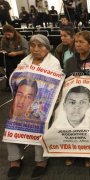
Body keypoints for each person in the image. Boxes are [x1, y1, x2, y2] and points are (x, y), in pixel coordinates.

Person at [6, 34, 62, 180]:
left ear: (47, 48)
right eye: (32, 45)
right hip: (22, 99)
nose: (35, 49)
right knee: (12, 122)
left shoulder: (53, 62)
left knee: (39, 120)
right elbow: (16, 79)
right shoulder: (25, 60)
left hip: (43, 103)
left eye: (40, 46)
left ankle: (41, 161)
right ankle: (15, 160)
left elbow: (53, 86)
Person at [63, 30, 90, 167]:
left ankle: (88, 152)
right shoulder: (70, 61)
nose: (78, 44)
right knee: (66, 117)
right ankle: (72, 151)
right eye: (76, 41)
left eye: (82, 42)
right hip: (73, 97)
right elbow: (65, 81)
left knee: (88, 117)